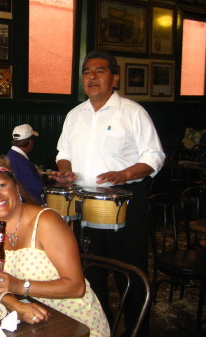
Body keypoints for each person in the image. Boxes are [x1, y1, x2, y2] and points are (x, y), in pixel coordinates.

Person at [50, 50, 165, 337]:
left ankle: (138, 331)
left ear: (114, 78)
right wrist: (65, 171)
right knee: (91, 272)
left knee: (130, 273)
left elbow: (155, 156)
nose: (91, 76)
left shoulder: (133, 112)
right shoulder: (75, 115)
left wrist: (124, 174)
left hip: (125, 204)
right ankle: (103, 329)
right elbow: (63, 154)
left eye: (99, 71)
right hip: (83, 204)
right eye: (87, 71)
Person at [0, 156, 109, 337]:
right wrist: (16, 305)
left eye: (2, 185)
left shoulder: (46, 221)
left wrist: (19, 287)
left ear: (16, 187)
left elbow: (76, 287)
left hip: (75, 322)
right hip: (28, 322)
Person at [6, 124, 44, 205]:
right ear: (30, 142)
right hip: (27, 208)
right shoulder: (24, 163)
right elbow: (38, 189)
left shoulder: (10, 156)